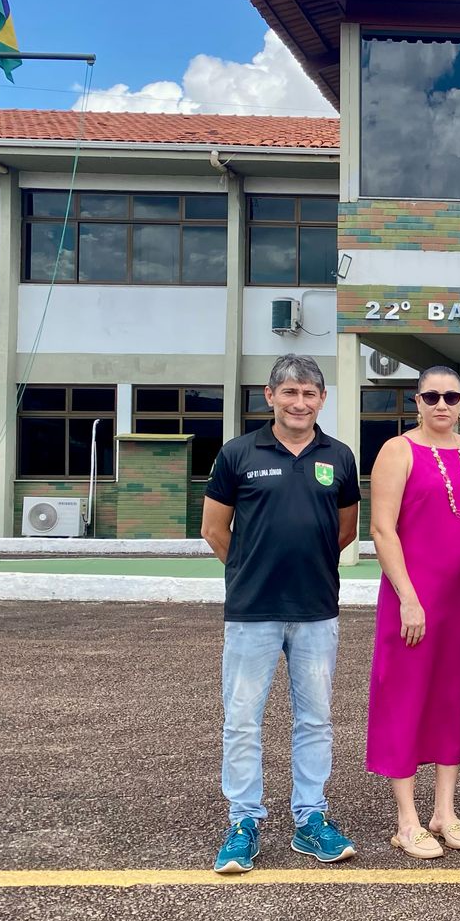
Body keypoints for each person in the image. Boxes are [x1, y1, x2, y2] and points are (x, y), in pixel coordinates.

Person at [201, 354, 360, 874]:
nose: (299, 402)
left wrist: (303, 567)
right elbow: (214, 530)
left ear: (322, 399)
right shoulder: (237, 454)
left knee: (315, 719)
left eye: (309, 393)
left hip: (315, 610)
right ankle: (243, 822)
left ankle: (310, 819)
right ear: (270, 397)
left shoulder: (339, 456)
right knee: (243, 720)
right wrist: (250, 568)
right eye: (289, 392)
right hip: (253, 611)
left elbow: (345, 531)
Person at [366, 365, 460, 859]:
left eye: (451, 396)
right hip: (412, 599)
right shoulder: (397, 451)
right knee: (405, 697)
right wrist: (408, 597)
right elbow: (382, 530)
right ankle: (406, 819)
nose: (442, 405)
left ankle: (445, 811)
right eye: (431, 396)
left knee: (451, 697)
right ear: (417, 401)